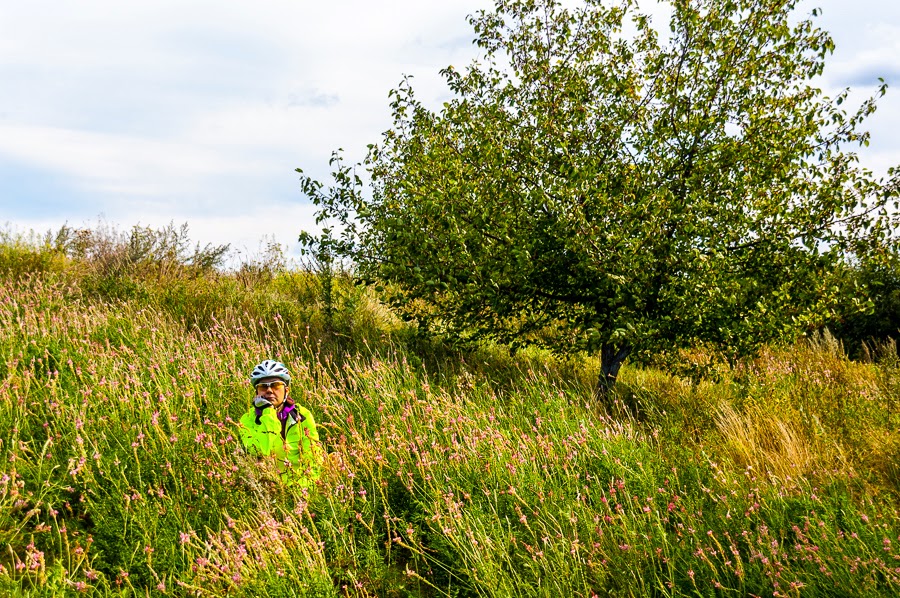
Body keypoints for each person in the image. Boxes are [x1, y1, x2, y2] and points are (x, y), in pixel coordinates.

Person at [238, 359, 323, 486]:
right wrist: (268, 412)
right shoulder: (247, 420)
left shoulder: (303, 415)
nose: (269, 390)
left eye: (276, 385)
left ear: (286, 390)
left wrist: (303, 493)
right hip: (266, 489)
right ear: (257, 392)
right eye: (262, 387)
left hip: (301, 488)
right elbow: (261, 451)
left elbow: (314, 459)